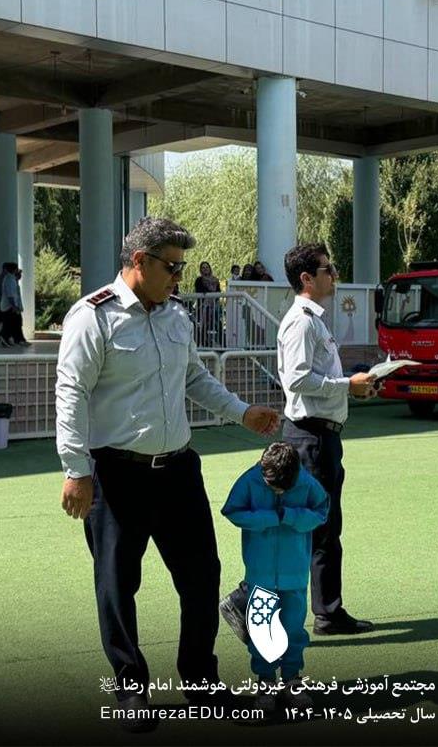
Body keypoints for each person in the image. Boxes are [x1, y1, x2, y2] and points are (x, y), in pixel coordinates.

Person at [55, 217, 281, 732]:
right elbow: (71, 394)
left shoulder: (177, 315)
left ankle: (201, 683)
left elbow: (194, 378)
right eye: (172, 267)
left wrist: (242, 412)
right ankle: (131, 689)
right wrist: (76, 470)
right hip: (116, 475)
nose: (180, 278)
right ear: (140, 261)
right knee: (117, 586)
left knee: (202, 578)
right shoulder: (93, 317)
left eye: (182, 267)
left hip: (178, 470)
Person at [220, 243, 376, 640]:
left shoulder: (313, 321)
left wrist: (352, 388)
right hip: (310, 437)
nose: (334, 275)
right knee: (308, 527)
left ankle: (327, 611)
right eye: (327, 269)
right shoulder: (302, 322)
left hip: (319, 436)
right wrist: (347, 385)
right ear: (306, 278)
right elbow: (297, 379)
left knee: (319, 526)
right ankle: (247, 599)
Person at [221, 442, 329, 715]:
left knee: (293, 629)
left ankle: (292, 679)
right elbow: (232, 511)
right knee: (262, 630)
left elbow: (321, 511)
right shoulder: (249, 480)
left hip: (295, 573)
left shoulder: (306, 482)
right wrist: (270, 518)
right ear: (263, 471)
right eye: (272, 486)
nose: (278, 491)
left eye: (284, 488)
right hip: (260, 573)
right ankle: (266, 682)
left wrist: (290, 516)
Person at [0, 264, 29, 346]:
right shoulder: (9, 279)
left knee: (16, 323)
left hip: (11, 306)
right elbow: (10, 295)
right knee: (12, 323)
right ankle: (4, 337)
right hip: (9, 306)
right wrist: (14, 306)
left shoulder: (11, 279)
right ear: (14, 269)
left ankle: (17, 339)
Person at [193, 262, 222, 348]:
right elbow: (199, 291)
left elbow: (218, 292)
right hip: (203, 306)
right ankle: (203, 343)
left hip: (214, 306)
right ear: (201, 270)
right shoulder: (199, 280)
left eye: (207, 267)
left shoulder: (215, 280)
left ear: (210, 268)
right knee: (203, 325)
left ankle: (222, 343)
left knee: (218, 324)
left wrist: (213, 298)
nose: (205, 269)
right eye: (203, 267)